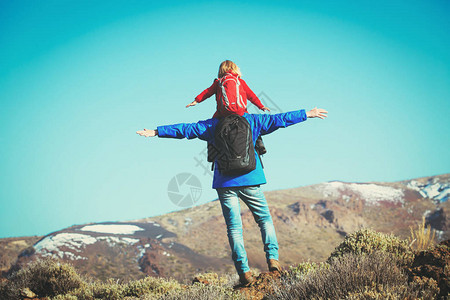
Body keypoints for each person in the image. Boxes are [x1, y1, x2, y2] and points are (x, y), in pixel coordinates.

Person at [136, 107, 328, 286]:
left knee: (234, 229)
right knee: (264, 220)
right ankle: (272, 259)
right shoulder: (253, 121)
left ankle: (243, 271)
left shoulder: (212, 125)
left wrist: (156, 131)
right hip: (251, 179)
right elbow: (279, 119)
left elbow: (186, 130)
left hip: (225, 183)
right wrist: (307, 113)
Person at [186, 60, 270, 155]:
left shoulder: (218, 82)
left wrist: (196, 100)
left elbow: (207, 92)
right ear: (235, 69)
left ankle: (212, 150)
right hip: (241, 113)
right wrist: (261, 106)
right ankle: (259, 143)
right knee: (252, 124)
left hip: (222, 114)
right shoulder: (240, 81)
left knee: (212, 127)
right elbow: (251, 95)